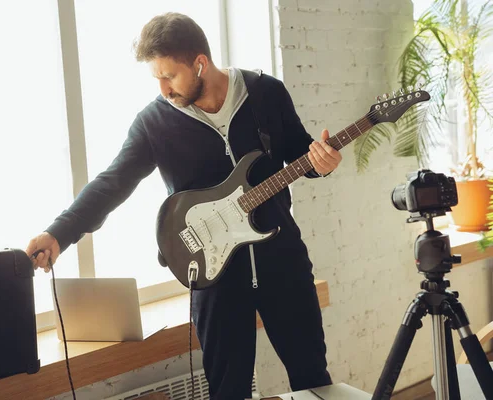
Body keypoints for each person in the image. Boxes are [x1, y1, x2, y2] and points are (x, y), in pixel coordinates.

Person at [26, 12, 341, 400]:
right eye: (156, 78)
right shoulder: (154, 123)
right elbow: (112, 184)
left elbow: (300, 152)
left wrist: (321, 164)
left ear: (200, 64)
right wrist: (59, 233)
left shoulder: (265, 93)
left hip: (283, 263)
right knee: (228, 392)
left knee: (314, 382)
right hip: (214, 280)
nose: (162, 89)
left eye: (169, 76)